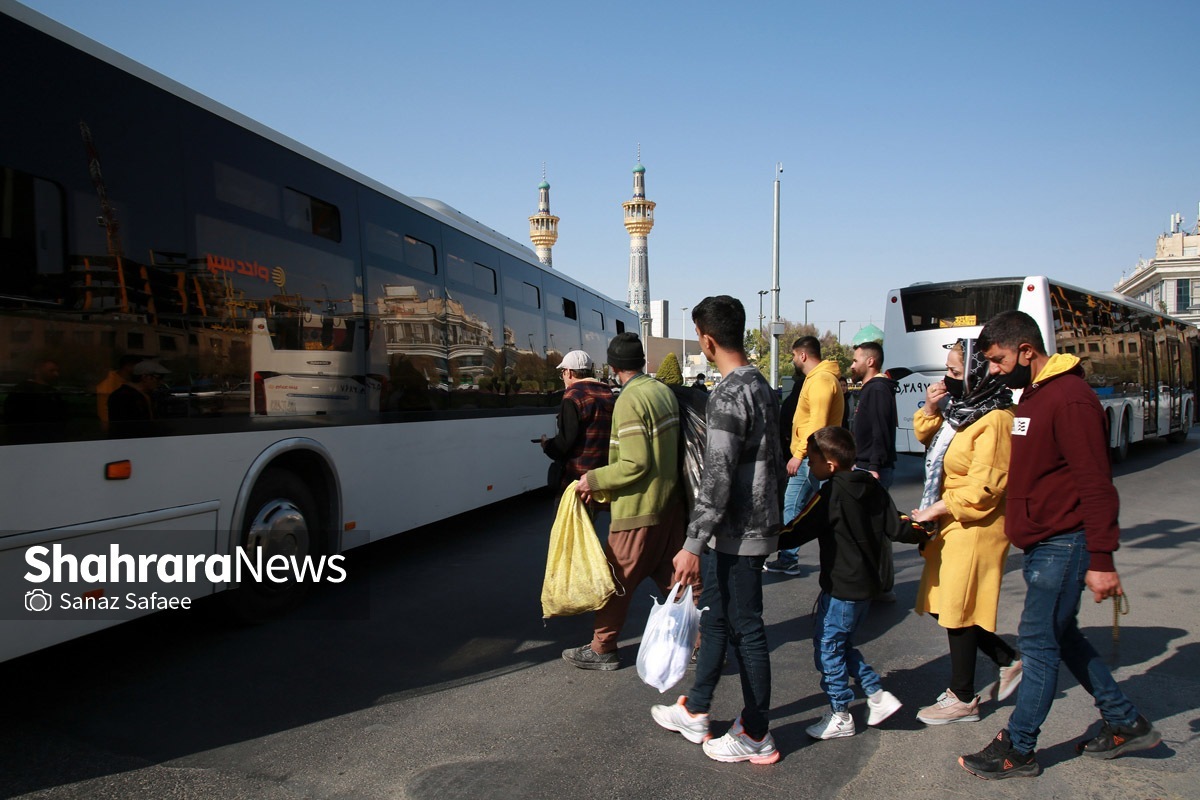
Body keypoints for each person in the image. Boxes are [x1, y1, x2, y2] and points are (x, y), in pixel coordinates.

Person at [958, 310, 1162, 780]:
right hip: (1044, 544)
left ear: (1026, 351)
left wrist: (1102, 559)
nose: (992, 369)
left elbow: (1095, 483)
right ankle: (1125, 722)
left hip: (1064, 545)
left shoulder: (1070, 399)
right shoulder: (1034, 396)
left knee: (1038, 644)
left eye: (997, 359)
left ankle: (1019, 747)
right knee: (1062, 636)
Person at [650, 295, 785, 765]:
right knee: (719, 617)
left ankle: (755, 732)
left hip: (737, 530)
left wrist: (692, 543)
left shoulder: (727, 394)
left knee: (746, 629)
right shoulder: (763, 385)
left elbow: (717, 474)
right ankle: (698, 707)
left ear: (706, 340)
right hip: (755, 523)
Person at [775, 426, 927, 740]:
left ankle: (840, 713)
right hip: (867, 588)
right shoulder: (872, 487)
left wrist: (763, 541)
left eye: (812, 461)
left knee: (828, 650)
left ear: (829, 465)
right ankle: (875, 694)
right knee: (842, 645)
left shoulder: (829, 494)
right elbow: (898, 526)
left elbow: (799, 529)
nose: (810, 467)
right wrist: (924, 531)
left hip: (841, 588)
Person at [909, 339, 1021, 726]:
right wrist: (929, 406)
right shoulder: (962, 412)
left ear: (977, 373)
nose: (948, 379)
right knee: (943, 602)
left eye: (955, 372)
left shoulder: (997, 419)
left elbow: (985, 488)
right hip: (951, 522)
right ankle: (1007, 659)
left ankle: (962, 697)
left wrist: (935, 509)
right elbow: (928, 438)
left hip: (976, 525)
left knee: (956, 607)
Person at [564, 332, 682, 670]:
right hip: (668, 504)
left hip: (638, 508)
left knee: (615, 580)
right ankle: (702, 642)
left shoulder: (630, 400)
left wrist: (594, 479)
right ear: (642, 361)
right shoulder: (662, 391)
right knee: (675, 580)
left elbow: (635, 462)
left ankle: (602, 648)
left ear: (613, 366)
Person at [764, 336, 843, 576]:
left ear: (803, 355)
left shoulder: (820, 381)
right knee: (800, 505)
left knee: (799, 506)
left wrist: (799, 454)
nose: (793, 360)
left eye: (793, 355)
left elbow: (817, 424)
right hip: (813, 456)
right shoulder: (819, 379)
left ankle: (791, 557)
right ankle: (790, 557)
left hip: (812, 457)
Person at [539, 350, 615, 493]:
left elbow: (565, 442)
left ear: (569, 372)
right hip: (599, 477)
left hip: (577, 479)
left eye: (562, 372)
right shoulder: (608, 394)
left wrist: (547, 445)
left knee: (565, 515)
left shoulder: (573, 397)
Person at [848, 342, 898, 488]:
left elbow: (880, 429)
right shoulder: (871, 389)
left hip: (872, 469)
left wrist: (874, 466)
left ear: (870, 361)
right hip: (863, 465)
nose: (852, 366)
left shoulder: (877, 389)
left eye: (855, 361)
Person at [3, 359, 67, 425]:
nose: (56, 374)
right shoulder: (24, 388)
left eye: (57, 371)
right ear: (38, 371)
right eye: (51, 371)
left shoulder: (53, 391)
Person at [96, 354, 141, 423]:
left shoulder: (129, 382)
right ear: (128, 366)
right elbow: (104, 413)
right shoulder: (108, 385)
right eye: (139, 367)